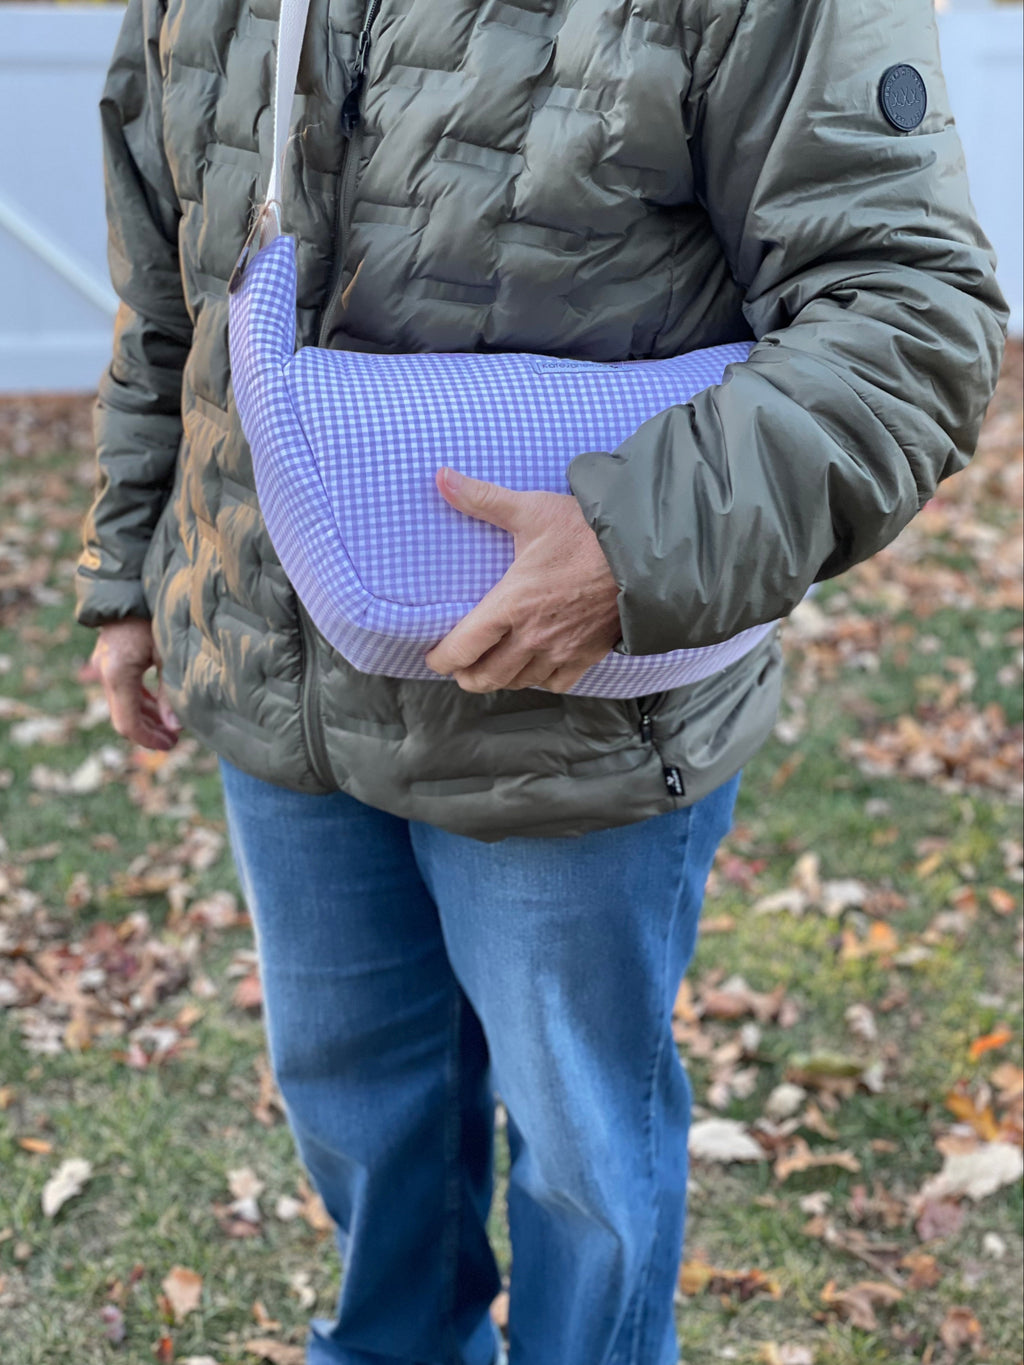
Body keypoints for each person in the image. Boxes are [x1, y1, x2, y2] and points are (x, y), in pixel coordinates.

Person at [76, 0, 1006, 1360]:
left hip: (583, 712)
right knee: (356, 1110)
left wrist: (629, 545)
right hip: (278, 677)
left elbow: (909, 309)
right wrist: (128, 568)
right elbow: (170, 276)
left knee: (584, 1158)